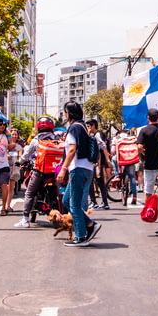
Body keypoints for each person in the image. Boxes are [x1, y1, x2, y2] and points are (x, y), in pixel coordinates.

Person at [56, 101, 101, 247]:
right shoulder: (82, 127)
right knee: (66, 200)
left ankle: (81, 236)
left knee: (74, 204)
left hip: (78, 168)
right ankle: (89, 224)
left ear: (69, 113)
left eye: (65, 111)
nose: (64, 114)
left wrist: (63, 168)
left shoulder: (74, 128)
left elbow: (72, 149)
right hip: (86, 168)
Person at [16, 116, 61, 227]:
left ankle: (25, 219)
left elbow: (26, 156)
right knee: (57, 193)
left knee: (29, 193)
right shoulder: (56, 139)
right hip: (54, 172)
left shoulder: (35, 140)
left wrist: (19, 162)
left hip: (39, 171)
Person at [136, 108, 158, 198]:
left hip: (149, 165)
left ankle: (149, 210)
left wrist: (143, 153)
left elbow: (139, 147)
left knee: (148, 191)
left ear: (148, 117)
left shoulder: (144, 130)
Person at [87, 119, 112, 209]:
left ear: (93, 125)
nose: (88, 128)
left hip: (97, 163)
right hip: (98, 163)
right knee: (98, 182)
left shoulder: (97, 135)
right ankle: (104, 202)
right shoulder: (98, 134)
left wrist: (106, 161)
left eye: (89, 126)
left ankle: (96, 202)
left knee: (92, 182)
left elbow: (102, 148)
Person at [112, 129, 140, 204]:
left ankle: (117, 175)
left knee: (113, 159)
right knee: (132, 178)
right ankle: (134, 196)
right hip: (131, 159)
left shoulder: (116, 138)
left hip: (121, 159)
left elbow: (113, 151)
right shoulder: (131, 138)